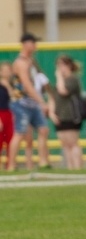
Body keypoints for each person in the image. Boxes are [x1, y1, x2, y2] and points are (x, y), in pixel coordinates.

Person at [7, 33, 50, 171]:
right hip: (21, 103)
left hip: (32, 103)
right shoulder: (20, 62)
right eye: (33, 42)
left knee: (43, 129)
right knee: (20, 133)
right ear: (26, 44)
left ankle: (43, 162)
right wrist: (41, 101)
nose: (35, 46)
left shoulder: (30, 61)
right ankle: (11, 165)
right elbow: (27, 85)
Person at [48, 55, 84, 170]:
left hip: (71, 115)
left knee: (73, 143)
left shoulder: (72, 79)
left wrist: (59, 76)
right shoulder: (59, 82)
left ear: (69, 66)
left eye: (62, 65)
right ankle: (70, 168)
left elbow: (63, 91)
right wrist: (52, 113)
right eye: (58, 65)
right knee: (65, 145)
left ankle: (77, 167)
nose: (60, 68)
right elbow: (53, 97)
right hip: (60, 116)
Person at [0, 62, 13, 169]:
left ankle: (10, 165)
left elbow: (15, 98)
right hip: (1, 113)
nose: (7, 72)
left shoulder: (13, 84)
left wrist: (8, 86)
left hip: (10, 113)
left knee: (10, 140)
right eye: (4, 70)